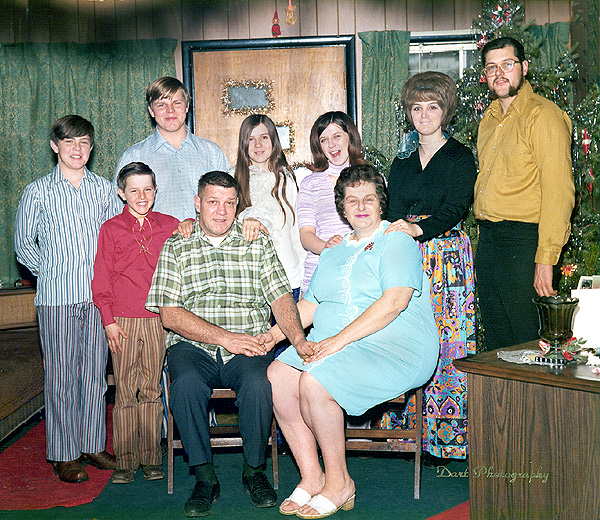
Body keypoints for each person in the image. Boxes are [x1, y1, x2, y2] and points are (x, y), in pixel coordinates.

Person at [265, 164, 439, 518]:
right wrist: (270, 336)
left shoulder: (396, 240)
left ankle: (339, 482)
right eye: (352, 200)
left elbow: (394, 302)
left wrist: (337, 342)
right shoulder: (333, 250)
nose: (361, 206)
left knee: (316, 380)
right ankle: (313, 477)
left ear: (381, 204)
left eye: (369, 199)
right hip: (336, 341)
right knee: (278, 376)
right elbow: (310, 306)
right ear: (341, 207)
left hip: (394, 346)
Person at [145, 171, 309, 517]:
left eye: (229, 203)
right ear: (197, 204)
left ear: (238, 206)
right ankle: (204, 477)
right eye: (212, 202)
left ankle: (254, 471)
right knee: (185, 386)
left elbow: (281, 298)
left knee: (259, 383)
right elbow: (170, 315)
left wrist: (298, 340)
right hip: (194, 345)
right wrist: (224, 338)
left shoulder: (256, 242)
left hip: (248, 342)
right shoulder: (177, 245)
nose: (221, 211)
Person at [14, 115, 119, 483]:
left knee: (93, 375)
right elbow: (24, 246)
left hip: (96, 299)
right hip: (56, 298)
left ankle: (90, 444)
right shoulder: (38, 191)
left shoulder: (105, 189)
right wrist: (55, 271)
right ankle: (63, 453)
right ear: (55, 146)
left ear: (92, 148)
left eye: (85, 142)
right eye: (70, 142)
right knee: (60, 376)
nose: (78, 149)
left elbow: (112, 242)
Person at [386, 71, 477, 462]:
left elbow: (457, 208)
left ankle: (448, 439)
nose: (424, 115)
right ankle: (404, 436)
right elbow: (390, 210)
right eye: (417, 108)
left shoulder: (459, 155)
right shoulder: (401, 160)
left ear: (445, 111)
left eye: (433, 107)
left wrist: (418, 228)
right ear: (409, 113)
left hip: (448, 258)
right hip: (406, 254)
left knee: (448, 344)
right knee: (406, 339)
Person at [476, 37, 575, 349]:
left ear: (524, 67)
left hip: (524, 244)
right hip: (490, 243)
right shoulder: (489, 120)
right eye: (492, 67)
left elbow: (559, 192)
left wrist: (545, 259)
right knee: (497, 343)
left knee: (528, 344)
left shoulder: (543, 115)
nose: (500, 73)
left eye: (508, 64)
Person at [92, 162, 179, 484]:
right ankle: (126, 460)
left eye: (147, 189)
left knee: (151, 390)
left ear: (155, 191)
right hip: (123, 321)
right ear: (121, 193)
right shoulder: (111, 229)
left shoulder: (170, 225)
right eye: (133, 190)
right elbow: (101, 278)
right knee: (127, 390)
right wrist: (108, 321)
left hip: (158, 319)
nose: (141, 196)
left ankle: (151, 458)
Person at [115, 77, 230, 221]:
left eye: (177, 103)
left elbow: (229, 203)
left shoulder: (212, 153)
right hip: (154, 242)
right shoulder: (134, 156)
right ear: (151, 111)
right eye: (162, 105)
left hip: (203, 241)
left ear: (187, 106)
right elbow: (119, 212)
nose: (170, 110)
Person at [232, 114, 305, 300]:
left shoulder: (286, 180)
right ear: (243, 144)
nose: (258, 145)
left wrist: (303, 280)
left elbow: (296, 232)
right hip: (251, 282)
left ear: (274, 140)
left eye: (264, 137)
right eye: (250, 139)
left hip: (288, 277)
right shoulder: (233, 180)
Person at [297, 111, 369, 295]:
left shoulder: (372, 178)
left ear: (350, 137)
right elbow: (306, 235)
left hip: (361, 273)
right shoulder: (310, 183)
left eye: (337, 136)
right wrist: (327, 248)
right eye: (323, 140)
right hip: (320, 272)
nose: (331, 145)